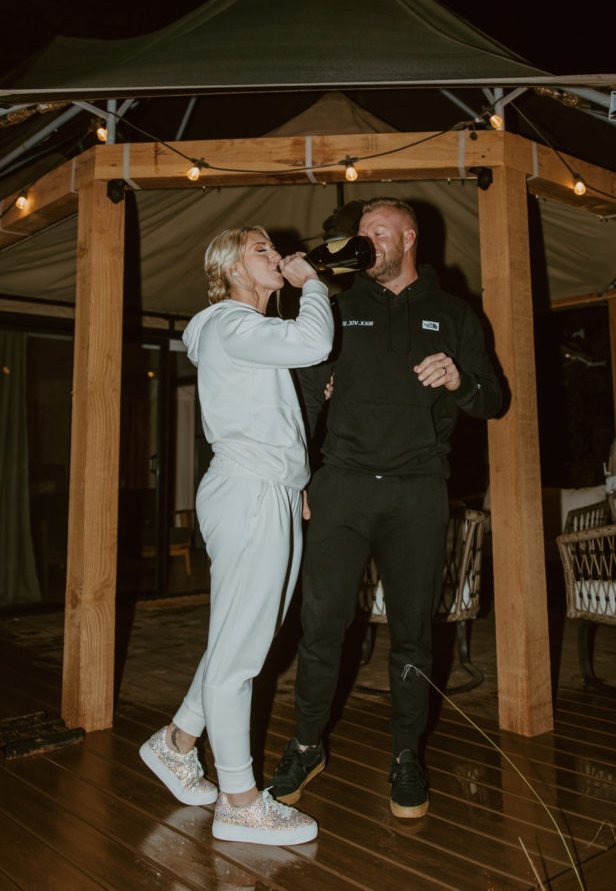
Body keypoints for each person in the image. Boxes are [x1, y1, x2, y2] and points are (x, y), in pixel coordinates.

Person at [269, 198, 501, 819]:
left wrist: (459, 379)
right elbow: (305, 402)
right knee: (321, 628)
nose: (364, 243)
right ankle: (306, 744)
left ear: (408, 237)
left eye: (376, 233)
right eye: (360, 234)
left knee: (412, 636)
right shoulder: (339, 310)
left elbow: (494, 398)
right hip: (341, 487)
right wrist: (300, 480)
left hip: (417, 492)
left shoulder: (453, 313)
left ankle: (406, 755)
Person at [139, 226, 333, 845]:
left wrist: (296, 479)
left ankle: (176, 742)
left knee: (241, 639)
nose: (277, 255)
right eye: (261, 250)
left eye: (275, 249)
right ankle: (241, 801)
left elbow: (271, 415)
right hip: (249, 492)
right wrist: (314, 284)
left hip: (268, 489)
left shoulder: (242, 333)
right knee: (241, 655)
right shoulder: (229, 321)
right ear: (230, 267)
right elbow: (315, 340)